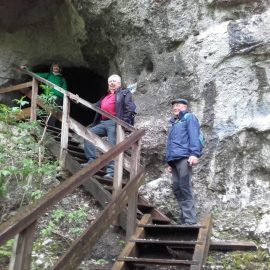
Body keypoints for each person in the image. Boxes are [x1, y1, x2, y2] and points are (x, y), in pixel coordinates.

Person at [83, 74, 136, 179]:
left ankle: (111, 172)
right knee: (88, 133)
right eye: (110, 81)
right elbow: (93, 106)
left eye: (114, 81)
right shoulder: (105, 97)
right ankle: (91, 160)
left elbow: (130, 107)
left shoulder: (124, 93)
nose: (111, 83)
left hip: (114, 122)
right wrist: (78, 101)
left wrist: (123, 122)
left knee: (112, 147)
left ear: (119, 83)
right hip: (103, 123)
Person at [166, 98, 202, 225]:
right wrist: (169, 163)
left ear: (185, 107)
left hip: (185, 158)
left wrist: (194, 154)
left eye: (178, 105)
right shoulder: (173, 123)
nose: (175, 108)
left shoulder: (189, 117)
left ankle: (190, 220)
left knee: (184, 187)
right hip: (174, 160)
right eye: (173, 106)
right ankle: (184, 219)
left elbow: (194, 136)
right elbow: (170, 144)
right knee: (177, 188)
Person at [21, 63, 67, 127]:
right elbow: (36, 75)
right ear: (52, 68)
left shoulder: (62, 79)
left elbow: (65, 89)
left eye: (57, 67)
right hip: (48, 96)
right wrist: (27, 69)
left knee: (56, 112)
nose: (56, 68)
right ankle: (48, 126)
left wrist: (63, 97)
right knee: (47, 111)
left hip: (58, 97)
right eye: (54, 67)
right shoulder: (48, 75)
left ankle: (53, 127)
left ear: (59, 69)